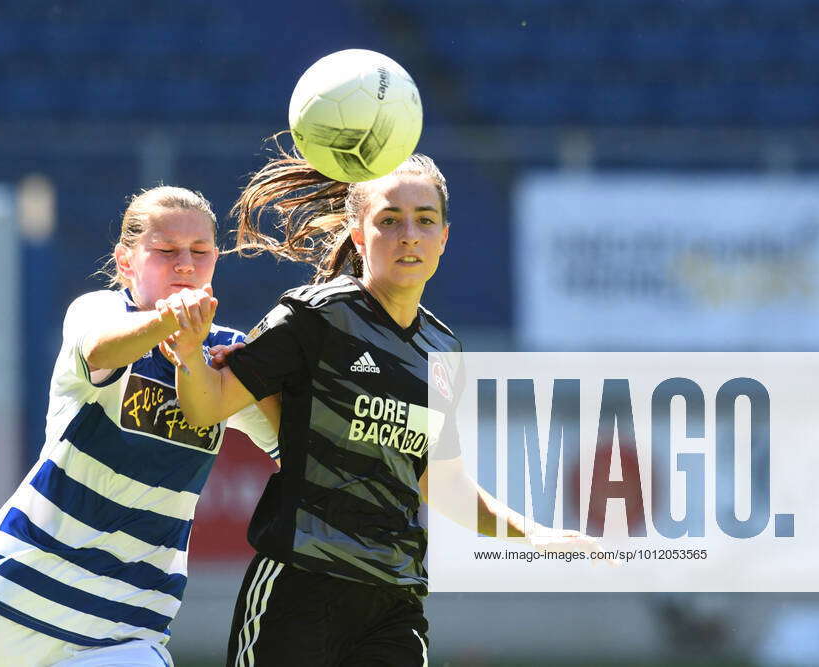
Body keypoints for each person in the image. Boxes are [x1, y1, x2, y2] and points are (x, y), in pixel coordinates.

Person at [163, 149, 603, 666]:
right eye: (389, 221)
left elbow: (442, 482)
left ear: (444, 237)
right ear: (357, 233)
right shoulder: (317, 316)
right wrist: (190, 355)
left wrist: (534, 534)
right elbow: (206, 407)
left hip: (395, 599)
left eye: (425, 221)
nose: (409, 235)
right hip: (301, 586)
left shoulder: (442, 350)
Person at [0, 185, 278, 667]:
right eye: (166, 251)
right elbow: (100, 349)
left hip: (126, 628)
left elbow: (295, 445)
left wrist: (264, 384)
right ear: (126, 262)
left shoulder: (225, 353)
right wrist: (169, 322)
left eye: (201, 251)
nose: (186, 264)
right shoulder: (99, 312)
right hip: (13, 601)